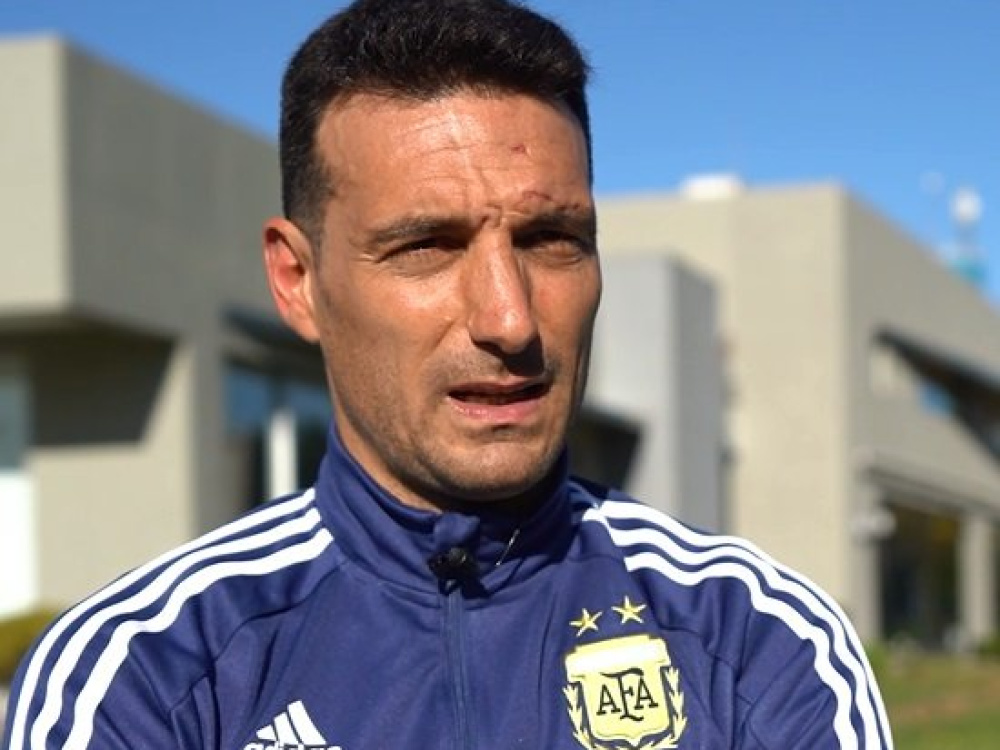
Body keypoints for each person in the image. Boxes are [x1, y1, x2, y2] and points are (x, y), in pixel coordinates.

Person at [4, 1, 892, 748]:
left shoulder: (757, 642)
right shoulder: (142, 678)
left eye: (552, 240)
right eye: (426, 246)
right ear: (298, 280)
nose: (510, 318)